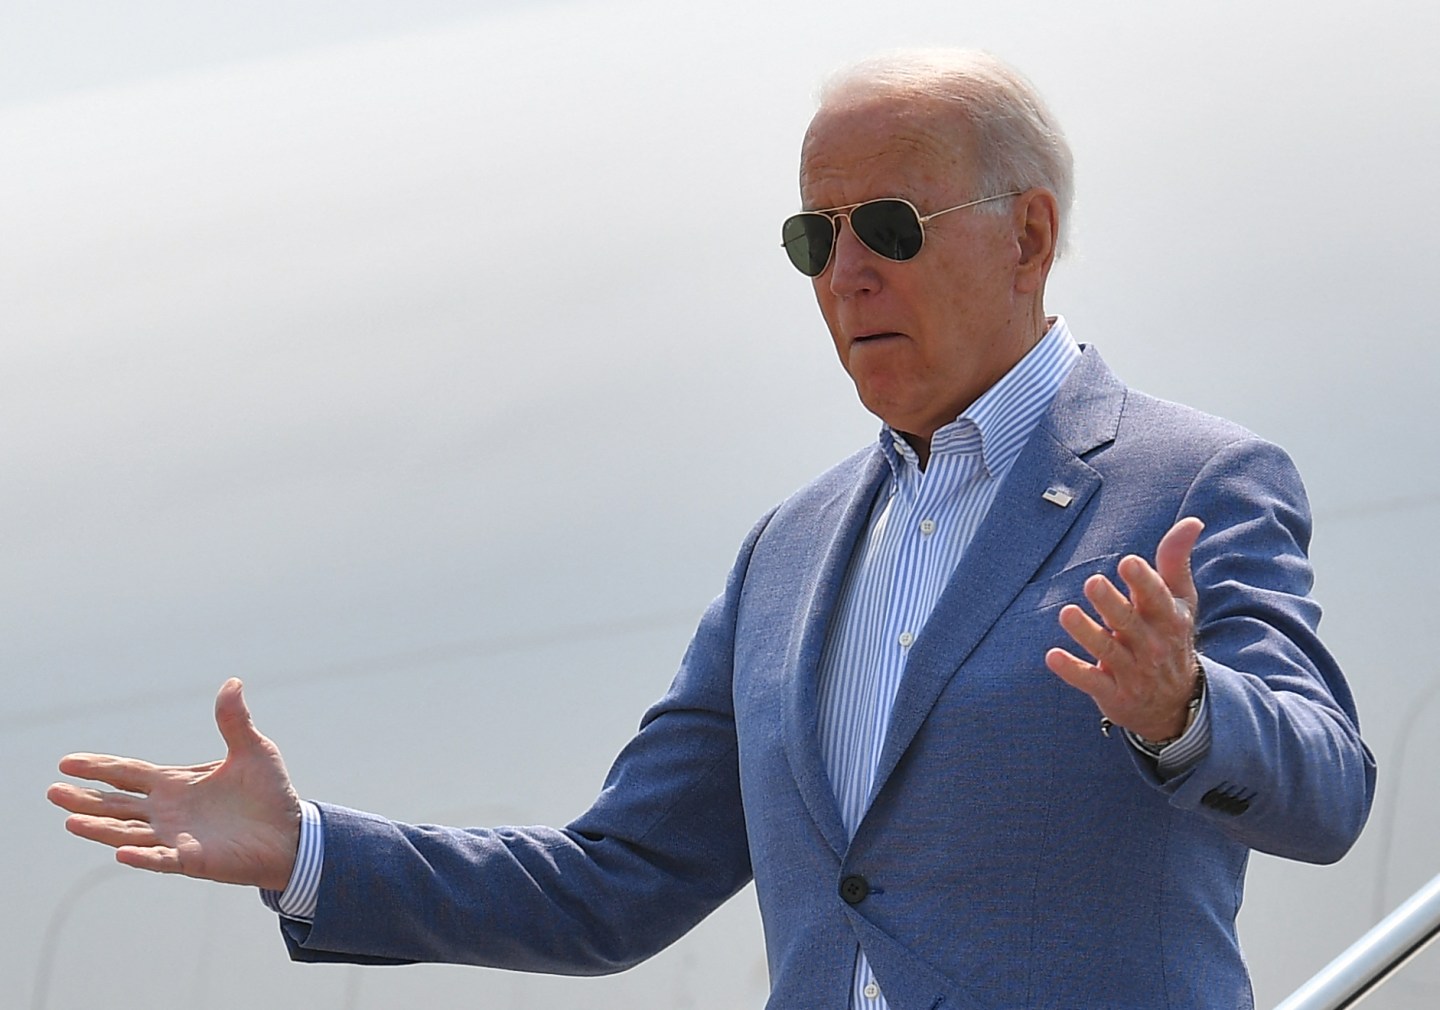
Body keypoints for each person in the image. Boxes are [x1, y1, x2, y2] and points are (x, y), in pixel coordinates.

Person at [49, 49, 1375, 1009]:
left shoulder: (1190, 482)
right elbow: (610, 884)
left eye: (893, 228)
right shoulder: (788, 556)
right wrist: (313, 851)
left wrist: (1187, 711)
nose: (849, 273)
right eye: (817, 236)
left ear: (1029, 237)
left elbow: (1328, 790)